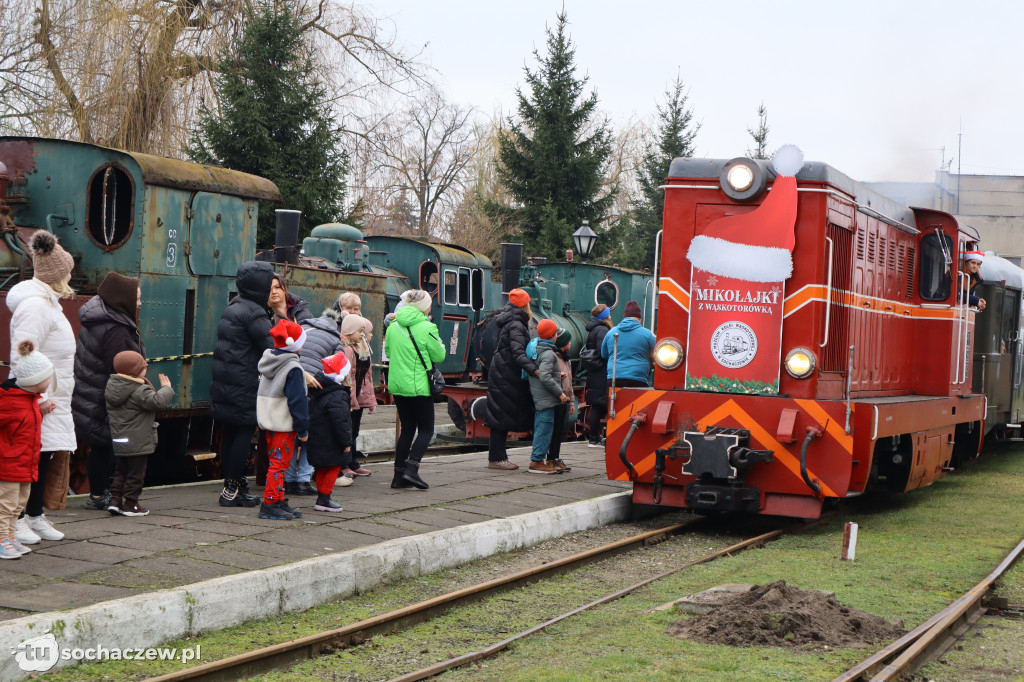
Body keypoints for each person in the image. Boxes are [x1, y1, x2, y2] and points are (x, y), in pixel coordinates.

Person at [10, 231, 77, 545]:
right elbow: (23, 353)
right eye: (67, 270)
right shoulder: (37, 307)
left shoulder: (48, 303)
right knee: (30, 460)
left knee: (44, 456)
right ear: (58, 275)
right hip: (41, 400)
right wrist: (37, 399)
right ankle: (19, 518)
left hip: (53, 396)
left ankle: (34, 515)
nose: (71, 274)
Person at [73, 271, 144, 512]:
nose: (140, 303)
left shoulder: (98, 317)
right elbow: (122, 369)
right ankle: (107, 496)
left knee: (100, 444)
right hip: (107, 398)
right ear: (123, 299)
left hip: (91, 392)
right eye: (137, 299)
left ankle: (98, 494)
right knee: (111, 446)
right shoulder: (116, 329)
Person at [211, 261, 276, 507]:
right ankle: (232, 490)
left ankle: (233, 488)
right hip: (244, 384)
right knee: (243, 433)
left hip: (227, 382)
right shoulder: (255, 312)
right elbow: (270, 347)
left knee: (231, 434)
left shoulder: (235, 306)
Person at [384, 289, 444, 490]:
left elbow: (389, 352)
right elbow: (439, 356)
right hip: (419, 386)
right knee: (426, 429)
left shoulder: (393, 326)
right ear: (425, 307)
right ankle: (412, 469)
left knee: (407, 429)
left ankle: (397, 476)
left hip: (398, 386)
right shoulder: (427, 327)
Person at [104, 351, 175, 517]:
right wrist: (167, 389)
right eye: (143, 367)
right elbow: (157, 401)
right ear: (134, 371)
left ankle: (115, 501)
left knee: (120, 471)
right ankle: (131, 505)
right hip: (137, 440)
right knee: (136, 474)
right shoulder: (138, 390)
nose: (146, 369)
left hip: (120, 439)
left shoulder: (113, 387)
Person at [0, 341, 54, 558]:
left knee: (17, 505)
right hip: (10, 463)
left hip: (25, 463)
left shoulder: (30, 400)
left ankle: (10, 537)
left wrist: (42, 412)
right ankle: (2, 539)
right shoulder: (11, 402)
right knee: (6, 504)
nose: (50, 381)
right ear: (35, 381)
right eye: (47, 378)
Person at [256, 319, 310, 520]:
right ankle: (270, 502)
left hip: (269, 419)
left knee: (275, 461)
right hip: (284, 423)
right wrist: (303, 428)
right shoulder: (293, 368)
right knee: (279, 464)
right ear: (295, 344)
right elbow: (298, 401)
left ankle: (278, 498)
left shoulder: (269, 360)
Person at [267, 277, 316, 496]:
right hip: (285, 376)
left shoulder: (302, 313)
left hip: (306, 371)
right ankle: (281, 485)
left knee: (306, 423)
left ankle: (302, 478)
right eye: (270, 289)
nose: (275, 292)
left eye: (278, 287)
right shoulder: (265, 318)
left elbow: (311, 344)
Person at [296, 305, 352, 487]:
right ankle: (303, 479)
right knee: (309, 435)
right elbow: (340, 363)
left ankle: (288, 479)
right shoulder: (334, 337)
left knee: (292, 435)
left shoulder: (304, 327)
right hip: (314, 387)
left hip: (292, 379)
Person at [484, 288, 537, 470]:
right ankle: (497, 459)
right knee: (500, 416)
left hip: (504, 372)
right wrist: (534, 370)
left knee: (500, 414)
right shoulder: (515, 324)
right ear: (524, 304)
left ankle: (498, 457)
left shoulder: (511, 320)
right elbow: (517, 352)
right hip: (506, 374)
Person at [306, 352, 353, 512]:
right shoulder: (338, 395)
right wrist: (346, 442)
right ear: (341, 375)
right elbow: (342, 422)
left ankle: (322, 496)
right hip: (332, 440)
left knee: (321, 468)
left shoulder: (320, 390)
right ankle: (324, 498)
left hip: (318, 437)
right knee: (334, 467)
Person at [527, 320, 568, 474]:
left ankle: (538, 459)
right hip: (546, 398)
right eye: (556, 333)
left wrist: (558, 374)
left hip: (541, 396)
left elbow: (544, 374)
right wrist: (560, 392)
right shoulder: (549, 353)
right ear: (552, 335)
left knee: (542, 428)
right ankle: (537, 461)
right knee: (544, 429)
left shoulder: (536, 348)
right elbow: (545, 377)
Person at [340, 314, 375, 478]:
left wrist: (370, 399)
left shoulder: (364, 350)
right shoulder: (348, 349)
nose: (368, 335)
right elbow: (349, 377)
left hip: (359, 396)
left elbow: (367, 377)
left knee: (354, 431)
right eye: (366, 331)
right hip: (351, 396)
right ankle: (344, 464)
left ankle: (352, 462)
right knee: (348, 431)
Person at [601, 300, 656, 388]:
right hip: (638, 378)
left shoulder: (610, 333)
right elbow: (656, 355)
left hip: (614, 377)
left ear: (624, 317)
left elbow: (604, 355)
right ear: (639, 318)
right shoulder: (648, 334)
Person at [546, 327, 575, 472]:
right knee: (554, 430)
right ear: (564, 343)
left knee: (560, 431)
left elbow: (570, 382)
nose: (571, 343)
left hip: (565, 398)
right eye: (569, 341)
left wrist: (571, 400)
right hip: (557, 398)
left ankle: (556, 457)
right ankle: (551, 458)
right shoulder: (555, 359)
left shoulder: (567, 360)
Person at [583, 304, 612, 447]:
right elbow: (603, 352)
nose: (610, 316)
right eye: (608, 314)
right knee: (599, 405)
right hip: (601, 372)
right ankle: (594, 438)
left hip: (595, 371)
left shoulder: (593, 329)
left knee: (597, 405)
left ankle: (595, 437)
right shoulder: (602, 330)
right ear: (604, 316)